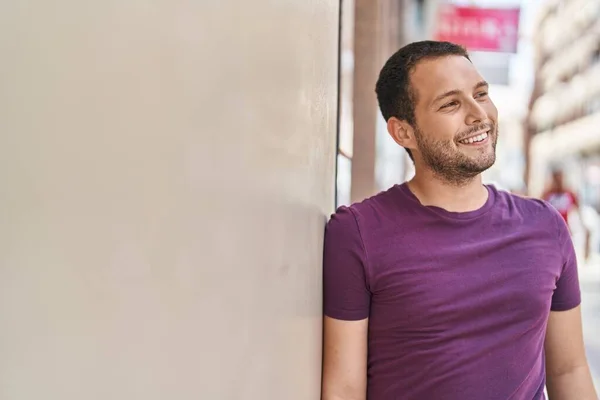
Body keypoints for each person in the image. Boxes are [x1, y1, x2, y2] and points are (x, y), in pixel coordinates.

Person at [321, 41, 597, 400]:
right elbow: (343, 387)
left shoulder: (545, 227)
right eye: (450, 103)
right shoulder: (357, 232)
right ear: (403, 131)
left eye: (481, 94)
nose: (477, 114)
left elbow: (569, 369)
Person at [542, 168, 590, 259]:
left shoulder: (570, 194)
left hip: (566, 233)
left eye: (561, 178)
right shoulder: (547, 195)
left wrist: (584, 227)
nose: (559, 181)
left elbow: (579, 211)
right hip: (551, 233)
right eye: (556, 178)